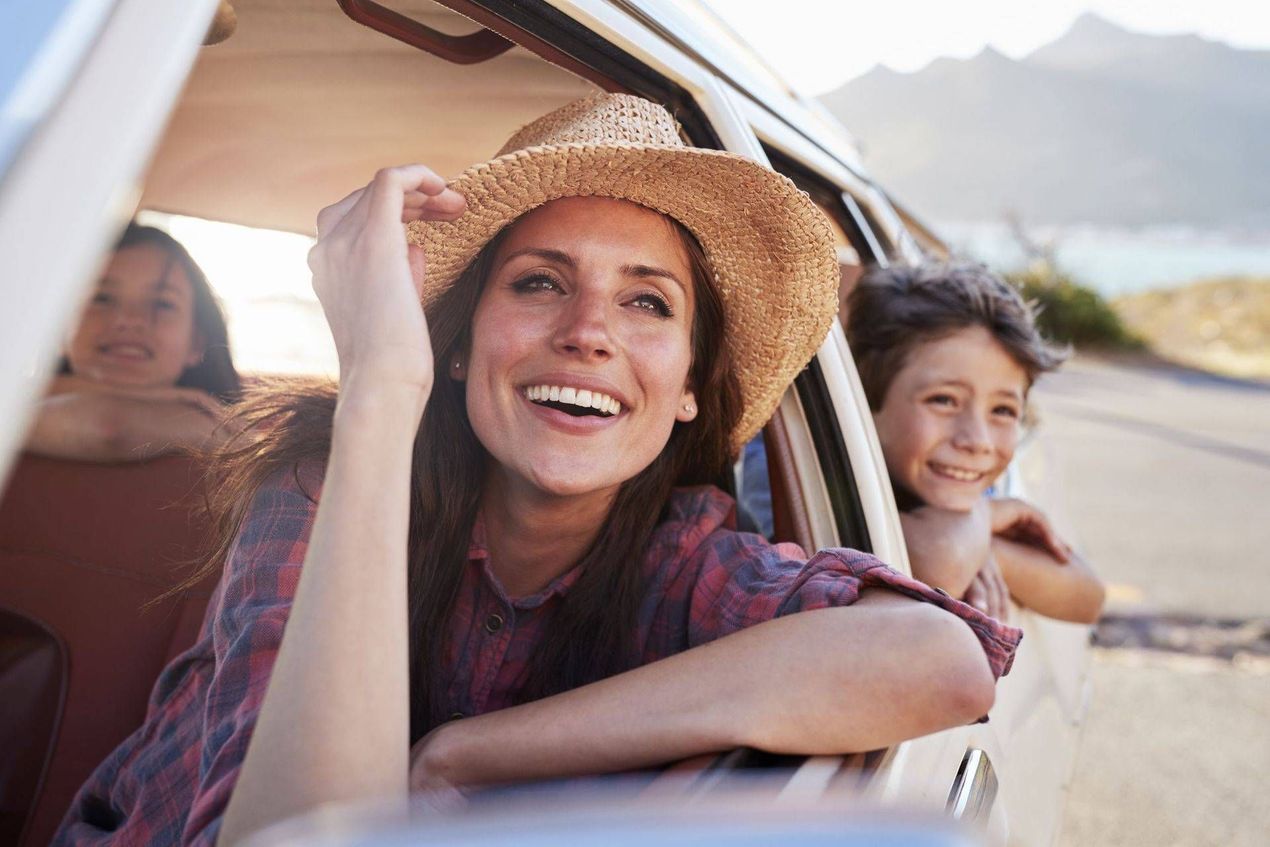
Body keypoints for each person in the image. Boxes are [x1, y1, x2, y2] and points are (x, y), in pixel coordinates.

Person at [55, 95, 1022, 847]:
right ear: (463, 345)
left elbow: (941, 659)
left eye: (647, 303)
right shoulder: (319, 486)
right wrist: (384, 393)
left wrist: (463, 755)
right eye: (539, 283)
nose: (588, 333)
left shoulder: (682, 554)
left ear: (688, 384)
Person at [845, 261, 1106, 624]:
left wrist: (985, 547)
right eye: (943, 400)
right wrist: (984, 518)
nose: (977, 441)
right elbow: (941, 569)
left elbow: (1088, 596)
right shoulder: (816, 477)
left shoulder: (966, 480)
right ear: (865, 401)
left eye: (1002, 410)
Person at [25, 224, 240, 462]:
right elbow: (108, 429)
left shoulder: (219, 425)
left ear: (197, 344)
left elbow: (109, 429)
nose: (128, 320)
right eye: (101, 298)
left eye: (162, 303)